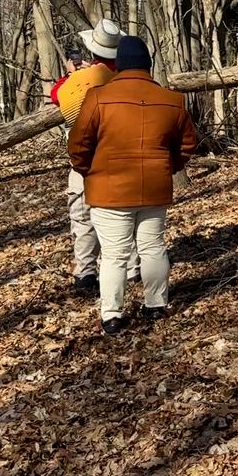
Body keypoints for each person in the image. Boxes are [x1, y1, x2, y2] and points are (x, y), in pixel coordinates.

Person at [67, 36, 196, 335]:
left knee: (114, 254)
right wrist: (166, 167)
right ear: (147, 64)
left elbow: (78, 145)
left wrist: (90, 171)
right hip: (154, 188)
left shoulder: (98, 97)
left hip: (108, 190)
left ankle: (112, 316)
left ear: (119, 64)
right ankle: (156, 305)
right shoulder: (172, 100)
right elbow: (187, 145)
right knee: (153, 248)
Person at [50, 19, 125, 297]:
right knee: (120, 215)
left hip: (85, 157)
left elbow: (57, 95)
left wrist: (71, 75)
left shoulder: (83, 79)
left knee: (82, 217)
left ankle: (86, 273)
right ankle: (129, 268)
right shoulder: (126, 76)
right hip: (119, 155)